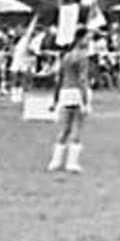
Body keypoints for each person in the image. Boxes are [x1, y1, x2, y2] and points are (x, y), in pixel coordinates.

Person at [48, 27, 93, 174]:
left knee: (65, 128)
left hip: (65, 91)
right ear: (80, 39)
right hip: (76, 92)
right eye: (87, 38)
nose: (88, 41)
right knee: (77, 127)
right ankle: (72, 163)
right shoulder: (82, 57)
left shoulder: (66, 56)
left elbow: (59, 79)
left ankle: (55, 161)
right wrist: (86, 101)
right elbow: (82, 79)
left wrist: (55, 100)